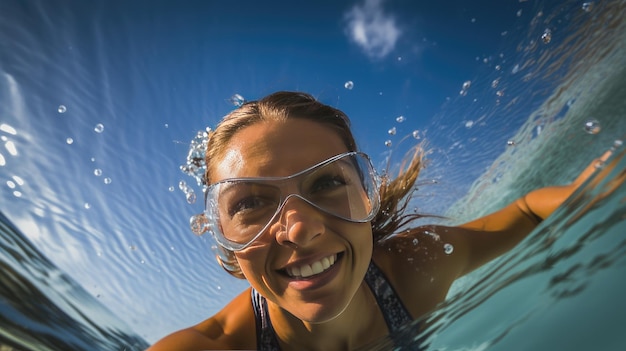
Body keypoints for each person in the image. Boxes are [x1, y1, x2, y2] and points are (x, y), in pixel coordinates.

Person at [148, 91, 609, 351]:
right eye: (249, 204)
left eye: (327, 183)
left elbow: (528, 210)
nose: (301, 229)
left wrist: (601, 191)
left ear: (365, 195)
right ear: (224, 242)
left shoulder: (416, 268)